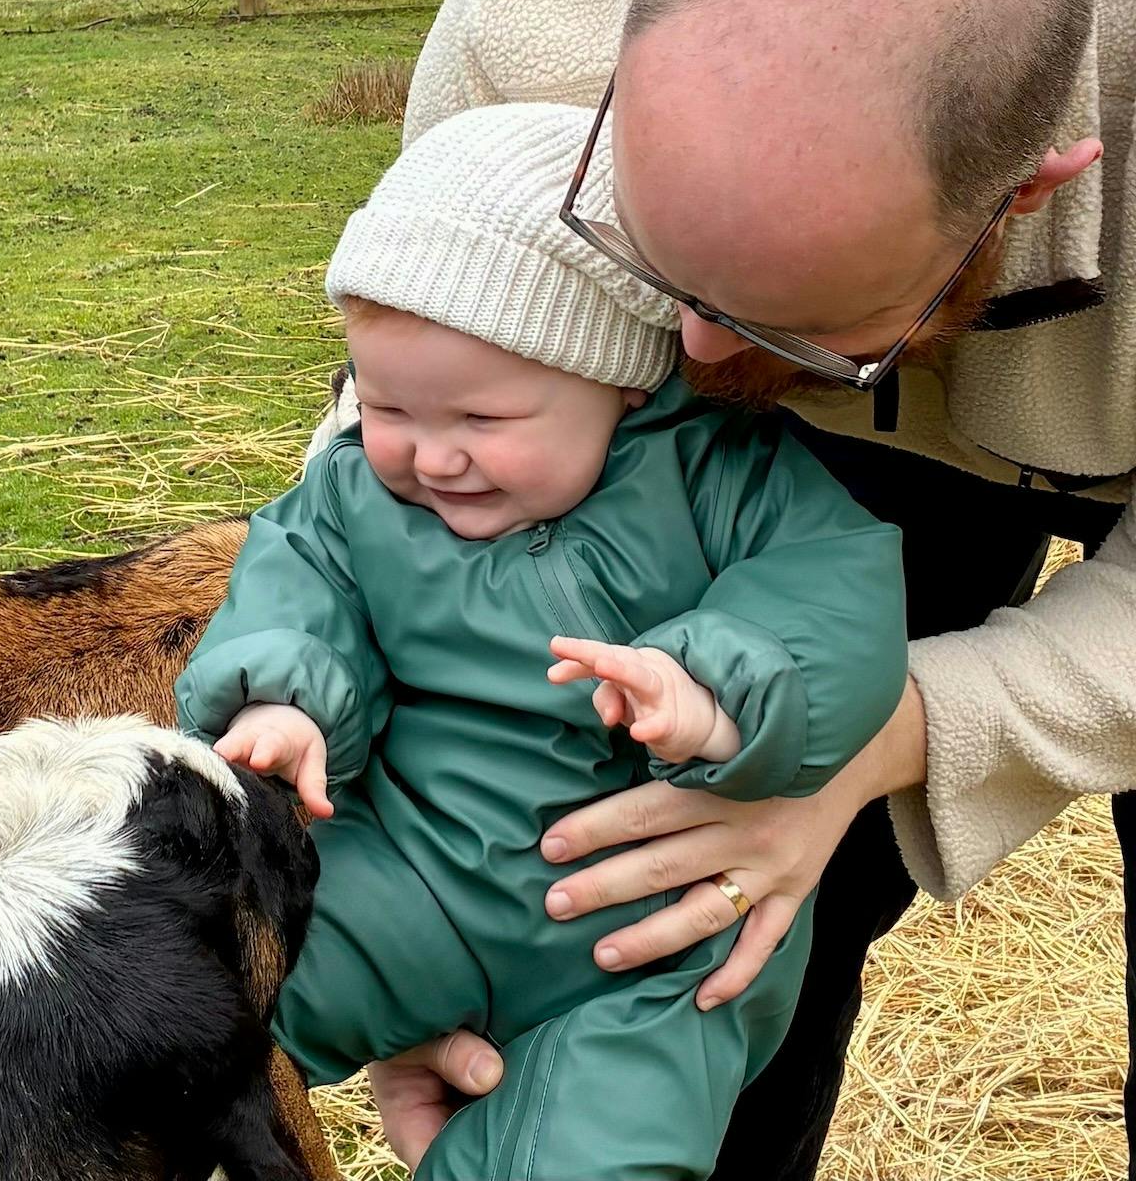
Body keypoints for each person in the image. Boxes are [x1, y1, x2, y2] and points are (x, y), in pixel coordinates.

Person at [323, 0, 1136, 1177]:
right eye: (661, 265)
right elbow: (421, 404)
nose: (697, 348)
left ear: (1031, 184)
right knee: (706, 889)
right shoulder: (525, 27)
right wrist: (447, 896)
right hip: (771, 460)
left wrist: (889, 734)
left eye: (781, 312)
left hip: (1087, 383)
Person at [175, 100, 908, 1179]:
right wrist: (281, 700)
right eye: (386, 409)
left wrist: (715, 695)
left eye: (480, 422)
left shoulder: (723, 477)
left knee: (603, 1150)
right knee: (193, 998)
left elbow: (833, 595)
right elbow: (298, 581)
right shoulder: (352, 497)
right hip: (406, 871)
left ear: (617, 378)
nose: (430, 458)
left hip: (652, 946)